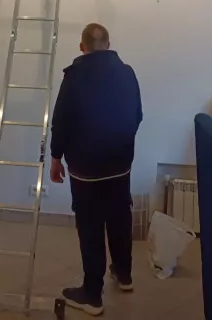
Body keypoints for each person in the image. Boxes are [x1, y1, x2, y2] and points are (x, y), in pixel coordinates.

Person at [49, 23, 143, 316]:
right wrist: (121, 145)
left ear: (82, 47)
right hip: (119, 164)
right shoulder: (127, 73)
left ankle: (92, 294)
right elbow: (137, 115)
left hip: (85, 168)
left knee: (90, 227)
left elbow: (61, 120)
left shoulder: (74, 76)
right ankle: (124, 274)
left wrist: (55, 156)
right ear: (109, 44)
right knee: (119, 217)